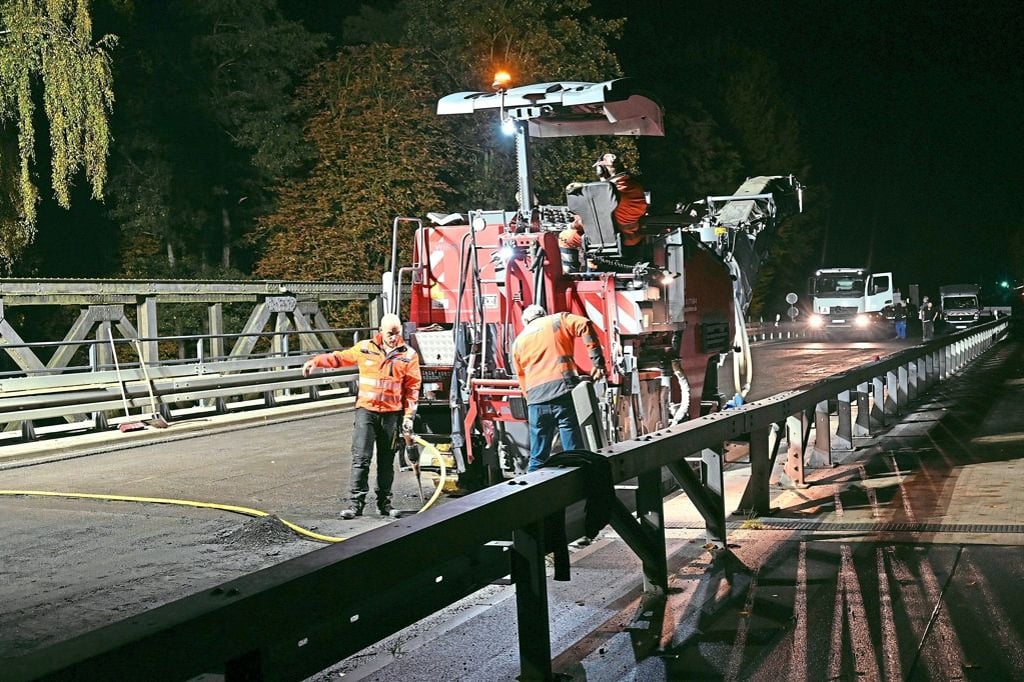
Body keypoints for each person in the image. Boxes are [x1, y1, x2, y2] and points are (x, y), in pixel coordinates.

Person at [302, 313, 421, 519]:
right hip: (366, 411)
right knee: (361, 458)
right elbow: (340, 358)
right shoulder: (365, 348)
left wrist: (408, 416)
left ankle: (384, 504)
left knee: (386, 460)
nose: (394, 337)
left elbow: (412, 388)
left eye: (397, 333)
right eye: (390, 333)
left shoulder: (408, 355)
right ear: (381, 332)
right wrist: (317, 361)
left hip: (391, 415)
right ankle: (355, 504)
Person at [511, 305, 606, 472]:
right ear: (543, 314)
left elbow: (522, 378)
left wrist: (532, 401)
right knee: (572, 453)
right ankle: (576, 490)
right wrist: (597, 363)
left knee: (538, 457)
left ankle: (532, 489)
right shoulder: (557, 320)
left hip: (536, 401)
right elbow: (584, 324)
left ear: (526, 321)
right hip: (563, 392)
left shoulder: (518, 341)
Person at [561, 152, 648, 261]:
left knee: (565, 237)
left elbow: (593, 220)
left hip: (611, 239)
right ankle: (593, 264)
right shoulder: (634, 186)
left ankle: (571, 274)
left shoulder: (608, 194)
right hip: (632, 238)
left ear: (601, 170)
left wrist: (574, 224)